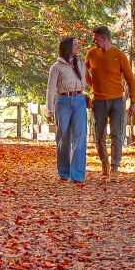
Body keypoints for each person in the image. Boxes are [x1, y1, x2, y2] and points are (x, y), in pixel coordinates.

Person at [83, 25, 135, 181]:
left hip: (116, 101)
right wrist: (91, 85)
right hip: (98, 101)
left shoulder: (119, 55)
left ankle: (115, 167)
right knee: (99, 135)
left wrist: (134, 100)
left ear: (104, 38)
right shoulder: (91, 54)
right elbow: (84, 72)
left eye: (95, 38)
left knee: (116, 134)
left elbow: (130, 79)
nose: (93, 40)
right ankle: (104, 163)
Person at [46, 36, 88, 183]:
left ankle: (77, 174)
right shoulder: (56, 67)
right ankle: (64, 172)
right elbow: (51, 88)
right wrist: (49, 109)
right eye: (75, 44)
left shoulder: (81, 64)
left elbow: (86, 82)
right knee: (63, 137)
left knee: (80, 137)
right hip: (62, 101)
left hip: (79, 101)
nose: (78, 47)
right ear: (67, 47)